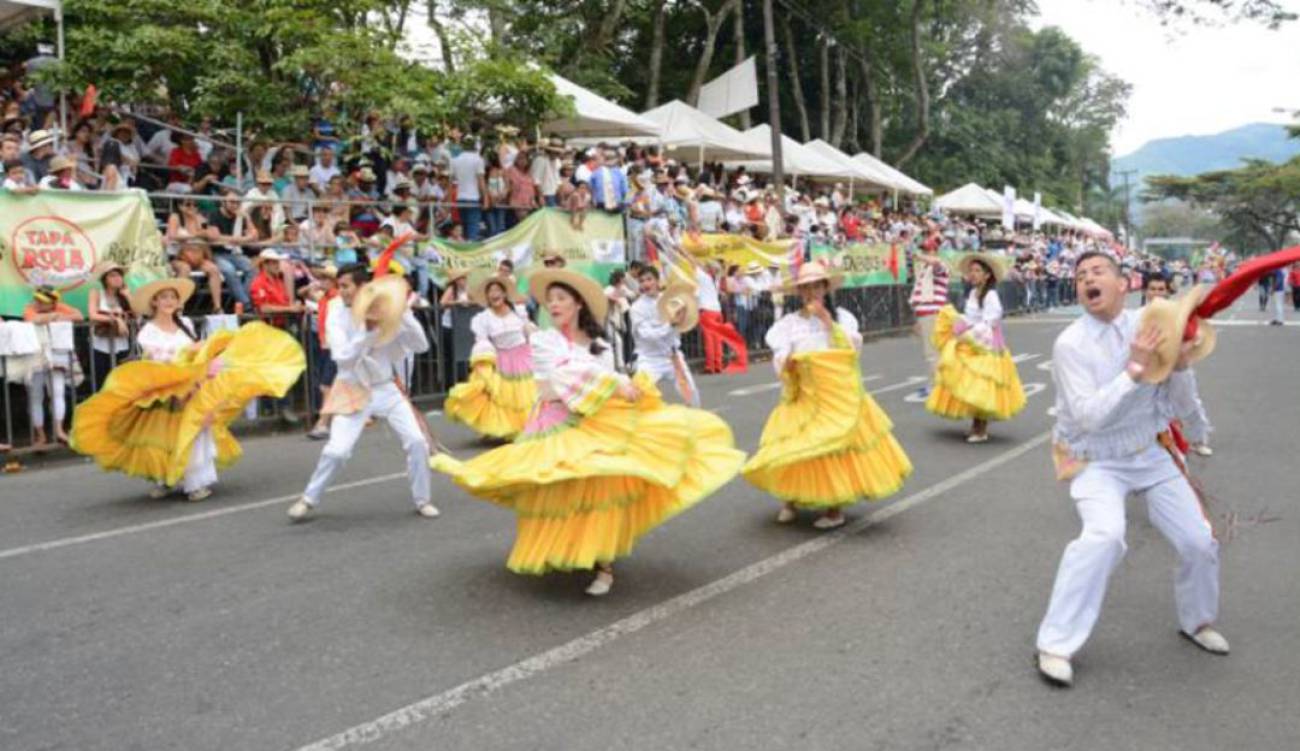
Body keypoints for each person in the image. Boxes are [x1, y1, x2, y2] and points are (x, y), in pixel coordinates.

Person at [431, 267, 744, 596]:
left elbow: (602, 385)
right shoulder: (542, 341)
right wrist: (614, 382)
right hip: (551, 426)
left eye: (561, 298)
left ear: (578, 304)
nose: (553, 305)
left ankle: (603, 565)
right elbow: (558, 377)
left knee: (598, 488)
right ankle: (566, 549)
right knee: (556, 490)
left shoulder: (600, 346)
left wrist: (618, 383)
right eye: (549, 300)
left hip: (593, 423)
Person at [1035, 251, 1225, 688]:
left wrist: (1180, 372)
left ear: (1125, 284)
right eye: (1080, 276)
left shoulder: (1151, 325)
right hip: (1096, 458)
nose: (1087, 280)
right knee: (1103, 537)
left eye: (1098, 272)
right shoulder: (1070, 344)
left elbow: (1177, 401)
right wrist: (1134, 371)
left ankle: (1198, 622)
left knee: (1199, 540)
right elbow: (1087, 417)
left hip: (1150, 452)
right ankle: (1055, 643)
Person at [72, 278, 304, 502]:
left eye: (172, 297)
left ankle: (196, 482)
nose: (169, 301)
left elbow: (196, 353)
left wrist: (201, 352)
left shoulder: (187, 325)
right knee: (165, 435)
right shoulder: (148, 330)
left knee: (192, 431)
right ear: (154, 302)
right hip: (164, 391)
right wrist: (186, 354)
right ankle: (165, 478)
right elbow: (154, 358)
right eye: (164, 297)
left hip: (191, 389)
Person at [743, 261, 913, 530]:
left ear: (825, 288)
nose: (811, 292)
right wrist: (787, 361)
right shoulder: (789, 323)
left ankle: (834, 509)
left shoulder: (842, 317)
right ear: (799, 291)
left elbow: (851, 349)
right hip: (804, 394)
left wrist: (825, 320)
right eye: (806, 287)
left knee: (834, 448)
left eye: (816, 286)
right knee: (796, 447)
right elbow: (780, 353)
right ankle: (791, 500)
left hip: (837, 395)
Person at [290, 267, 439, 521]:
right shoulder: (336, 311)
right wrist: (368, 331)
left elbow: (420, 346)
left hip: (386, 387)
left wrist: (404, 315)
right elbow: (343, 358)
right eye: (340, 285)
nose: (341, 290)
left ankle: (423, 499)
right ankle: (308, 498)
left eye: (346, 285)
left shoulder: (387, 309)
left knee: (417, 441)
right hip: (352, 388)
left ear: (362, 288)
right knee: (337, 451)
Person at [925, 253, 1027, 442]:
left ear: (987, 275)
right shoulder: (973, 293)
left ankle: (980, 429)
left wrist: (970, 333)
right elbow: (970, 316)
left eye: (977, 270)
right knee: (969, 382)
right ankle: (976, 425)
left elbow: (991, 321)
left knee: (982, 385)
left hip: (986, 344)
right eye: (971, 270)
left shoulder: (991, 295)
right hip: (973, 339)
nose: (973, 274)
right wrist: (958, 323)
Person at [443, 273, 537, 440]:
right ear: (487, 297)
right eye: (491, 291)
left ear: (504, 293)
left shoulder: (518, 311)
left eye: (497, 290)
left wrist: (535, 338)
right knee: (504, 397)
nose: (494, 294)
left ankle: (530, 427)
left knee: (527, 396)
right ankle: (508, 427)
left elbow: (528, 330)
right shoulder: (483, 318)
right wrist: (484, 359)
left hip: (524, 358)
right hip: (502, 360)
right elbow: (482, 341)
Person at [1144, 274, 1214, 457]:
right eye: (1152, 289)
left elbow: (1196, 336)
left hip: (1178, 368)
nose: (1156, 293)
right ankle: (1156, 442)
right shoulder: (1137, 317)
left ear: (1168, 291)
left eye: (1161, 289)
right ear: (1145, 291)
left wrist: (1183, 348)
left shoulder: (1178, 313)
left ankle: (1199, 440)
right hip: (1151, 370)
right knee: (1150, 406)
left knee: (1188, 403)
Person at [16, 287, 83, 446]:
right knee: (36, 396)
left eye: (42, 301)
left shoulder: (60, 306)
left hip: (57, 354)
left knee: (58, 393)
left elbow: (79, 316)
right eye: (37, 299)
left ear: (53, 302)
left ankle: (59, 431)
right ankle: (40, 435)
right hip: (35, 356)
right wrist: (54, 316)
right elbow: (30, 319)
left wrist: (55, 315)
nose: (37, 303)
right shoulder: (30, 308)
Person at [630, 268, 699, 406]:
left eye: (649, 279)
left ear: (657, 281)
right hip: (649, 359)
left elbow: (686, 316)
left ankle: (697, 423)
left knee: (690, 394)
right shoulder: (637, 308)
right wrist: (670, 325)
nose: (646, 284)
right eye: (642, 281)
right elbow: (647, 335)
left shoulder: (670, 300)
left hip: (673, 357)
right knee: (638, 395)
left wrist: (684, 313)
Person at [909, 240, 949, 398]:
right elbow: (919, 297)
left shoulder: (939, 267)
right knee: (934, 351)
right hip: (926, 314)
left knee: (932, 352)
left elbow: (937, 262)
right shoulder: (925, 271)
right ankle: (938, 382)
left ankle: (936, 385)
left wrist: (920, 256)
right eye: (924, 250)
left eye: (929, 250)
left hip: (932, 313)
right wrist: (917, 319)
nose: (925, 253)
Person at [694, 262, 747, 374]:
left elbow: (693, 262)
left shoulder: (704, 277)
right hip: (717, 311)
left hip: (707, 311)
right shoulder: (716, 280)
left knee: (709, 341)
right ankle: (718, 365)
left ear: (709, 269)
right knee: (717, 340)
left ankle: (710, 366)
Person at [87, 262, 134, 384]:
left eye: (119, 275)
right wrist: (116, 319)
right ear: (105, 279)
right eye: (112, 275)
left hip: (121, 343)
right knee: (102, 380)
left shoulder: (123, 295)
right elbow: (93, 315)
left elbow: (137, 314)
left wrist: (128, 296)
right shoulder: (96, 293)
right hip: (101, 344)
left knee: (122, 381)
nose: (117, 278)